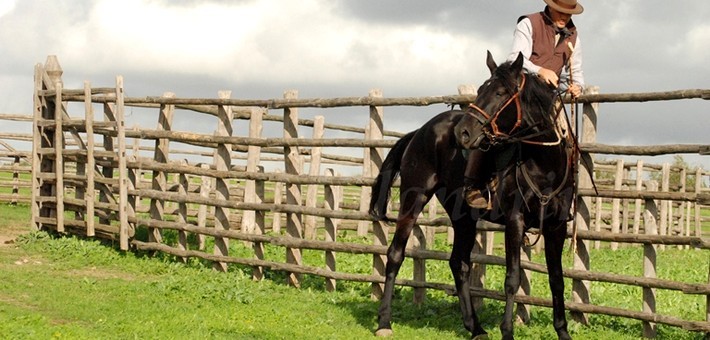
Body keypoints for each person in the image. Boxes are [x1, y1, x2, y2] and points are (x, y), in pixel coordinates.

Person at [463, 0, 586, 209]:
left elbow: (576, 71)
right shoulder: (529, 24)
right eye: (561, 12)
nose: (565, 17)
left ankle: (564, 194)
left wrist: (577, 86)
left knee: (569, 140)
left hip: (549, 99)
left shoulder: (573, 35)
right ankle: (475, 184)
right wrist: (540, 70)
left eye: (569, 13)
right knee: (492, 127)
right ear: (551, 7)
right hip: (522, 91)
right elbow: (515, 59)